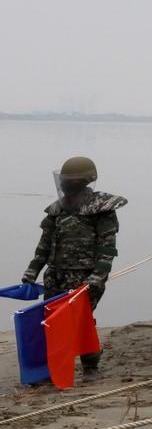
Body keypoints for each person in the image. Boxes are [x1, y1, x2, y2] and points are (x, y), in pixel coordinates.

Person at [21, 156, 126, 376]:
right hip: (55, 275)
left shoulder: (101, 208)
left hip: (85, 277)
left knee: (81, 321)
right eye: (64, 180)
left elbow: (107, 247)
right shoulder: (56, 210)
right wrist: (31, 272)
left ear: (84, 181)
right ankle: (54, 365)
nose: (65, 184)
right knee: (51, 321)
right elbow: (44, 245)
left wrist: (98, 276)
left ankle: (90, 365)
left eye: (71, 180)